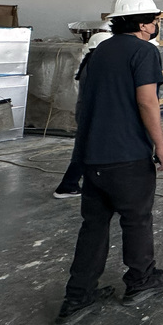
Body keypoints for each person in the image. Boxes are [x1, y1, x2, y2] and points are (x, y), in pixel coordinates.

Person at [54, 0, 163, 325]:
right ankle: (140, 280)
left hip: (93, 155)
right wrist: (161, 148)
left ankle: (77, 297)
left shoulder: (99, 50)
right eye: (155, 21)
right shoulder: (144, 52)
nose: (156, 26)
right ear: (143, 24)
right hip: (127, 155)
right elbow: (148, 103)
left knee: (93, 226)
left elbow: (83, 101)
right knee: (136, 219)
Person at [53, 29, 112, 199]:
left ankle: (70, 184)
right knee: (91, 151)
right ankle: (70, 185)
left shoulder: (89, 62)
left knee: (84, 150)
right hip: (94, 115)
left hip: (87, 113)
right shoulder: (98, 65)